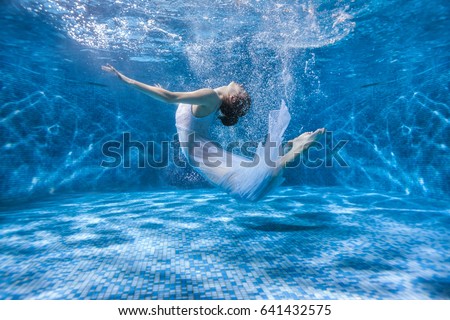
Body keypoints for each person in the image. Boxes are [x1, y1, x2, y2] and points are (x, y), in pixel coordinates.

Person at [102, 64, 325, 201]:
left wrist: (127, 80)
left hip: (200, 153)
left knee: (247, 188)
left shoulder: (210, 96)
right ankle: (290, 147)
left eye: (242, 91)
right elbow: (175, 102)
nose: (241, 84)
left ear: (233, 98)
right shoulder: (210, 99)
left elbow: (169, 97)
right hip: (201, 151)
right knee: (249, 183)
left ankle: (299, 147)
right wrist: (161, 90)